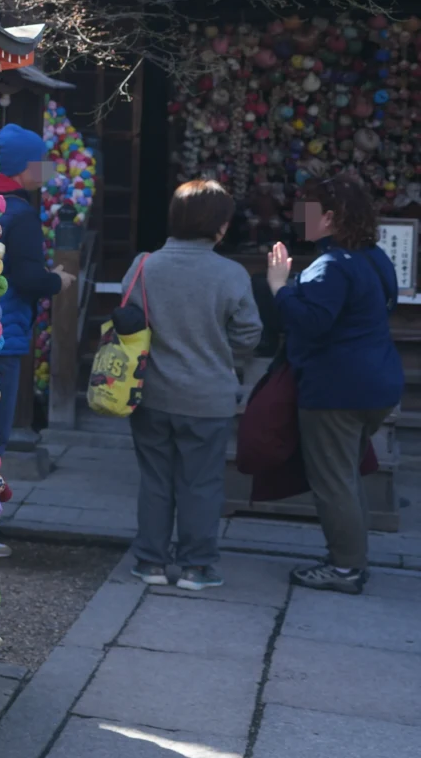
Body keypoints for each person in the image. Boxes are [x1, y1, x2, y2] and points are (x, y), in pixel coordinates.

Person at [121, 180, 262, 590]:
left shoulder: (145, 265)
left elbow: (130, 323)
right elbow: (249, 333)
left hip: (150, 392)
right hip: (209, 395)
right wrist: (223, 352)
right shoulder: (231, 274)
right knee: (201, 483)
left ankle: (150, 561)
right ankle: (197, 566)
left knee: (155, 479)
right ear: (219, 226)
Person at [267, 173, 401, 594]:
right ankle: (351, 559)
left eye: (306, 210)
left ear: (328, 218)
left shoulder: (331, 266)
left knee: (333, 480)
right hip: (377, 380)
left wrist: (279, 288)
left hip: (336, 388)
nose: (297, 217)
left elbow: (311, 323)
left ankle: (345, 568)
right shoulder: (374, 256)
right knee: (346, 475)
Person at [0, 125, 76, 454]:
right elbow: (28, 278)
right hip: (6, 330)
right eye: (40, 161)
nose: (46, 169)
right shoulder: (21, 214)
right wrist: (56, 280)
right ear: (21, 166)